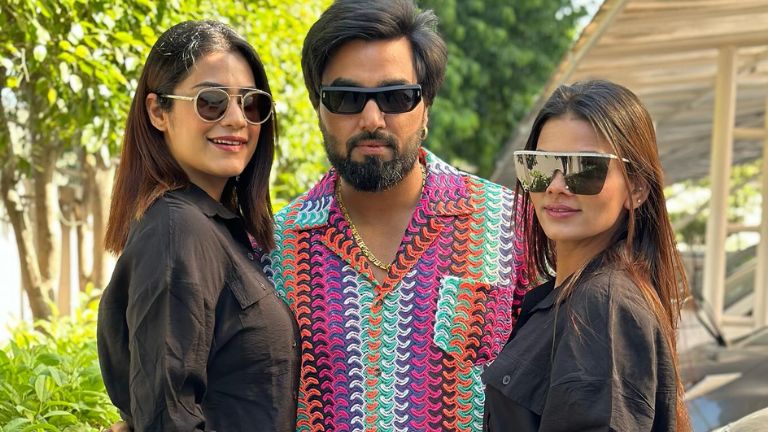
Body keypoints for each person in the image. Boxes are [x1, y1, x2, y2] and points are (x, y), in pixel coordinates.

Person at [261, 1, 528, 430]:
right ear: (318, 107)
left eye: (396, 97)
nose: (371, 119)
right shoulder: (274, 248)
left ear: (426, 107)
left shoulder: (509, 225)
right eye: (346, 98)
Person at [98, 20, 300, 432]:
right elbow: (167, 417)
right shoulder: (177, 230)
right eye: (211, 101)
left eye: (251, 104)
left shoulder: (213, 228)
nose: (237, 119)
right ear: (158, 111)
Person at [481, 79, 692, 431]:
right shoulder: (568, 297)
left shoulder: (603, 306)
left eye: (584, 168)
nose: (555, 186)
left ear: (637, 188)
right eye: (540, 165)